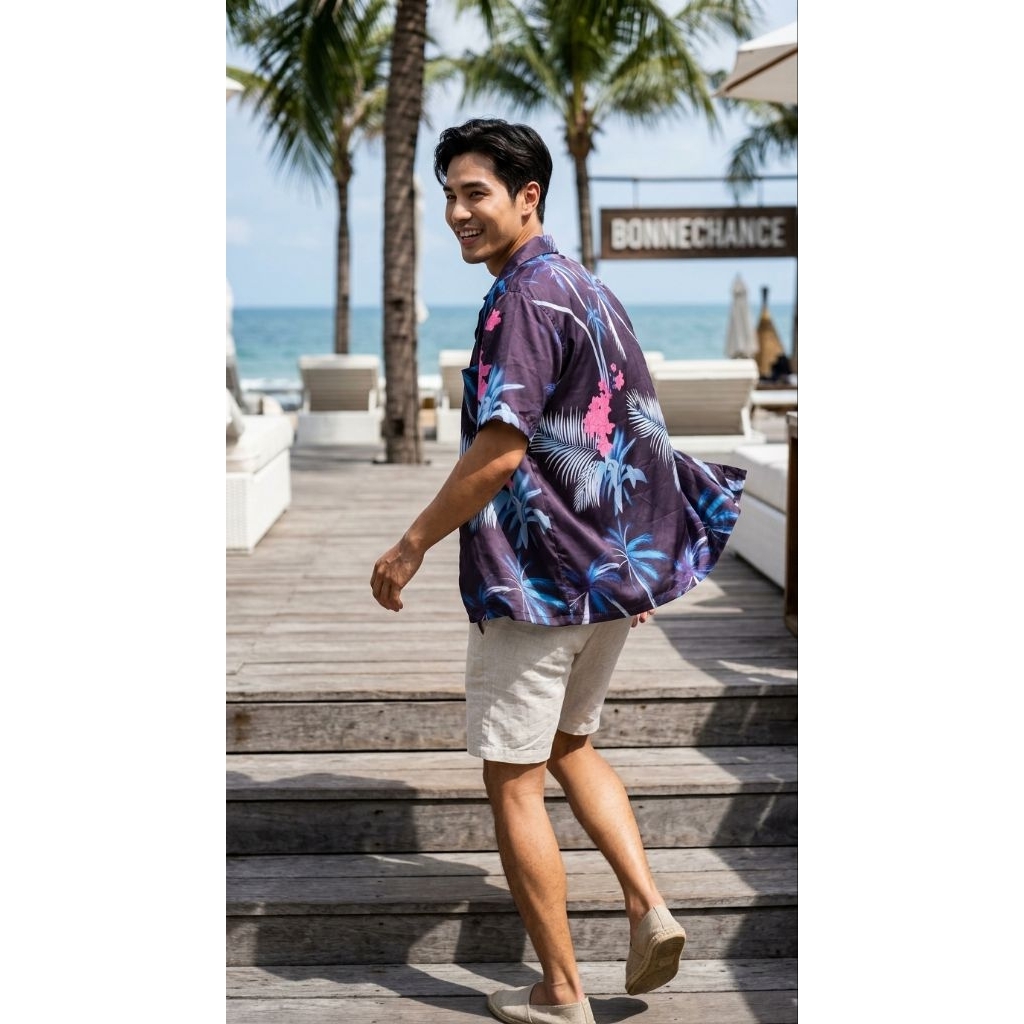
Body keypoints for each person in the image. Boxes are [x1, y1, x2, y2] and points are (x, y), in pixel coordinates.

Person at [371, 118, 746, 1024]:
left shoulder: (523, 299)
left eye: (475, 193)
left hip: (536, 583)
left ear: (527, 196)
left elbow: (502, 451)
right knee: (572, 745)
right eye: (449, 195)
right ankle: (649, 907)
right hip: (605, 577)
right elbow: (638, 426)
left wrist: (412, 543)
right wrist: (639, 560)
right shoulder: (587, 288)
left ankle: (562, 992)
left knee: (514, 777)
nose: (457, 213)